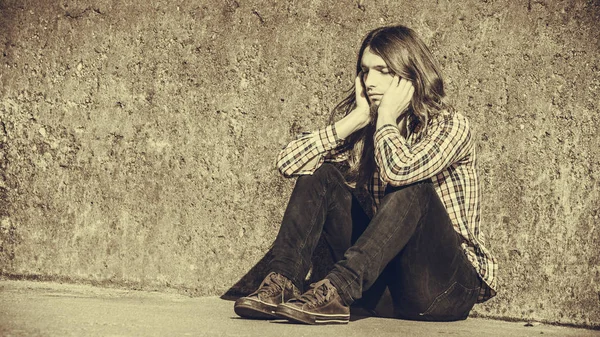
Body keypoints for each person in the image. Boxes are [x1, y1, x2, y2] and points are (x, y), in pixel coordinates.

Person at [234, 25, 498, 325]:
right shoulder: (365, 127)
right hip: (384, 285)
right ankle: (282, 283)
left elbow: (400, 171)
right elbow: (288, 163)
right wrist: (355, 120)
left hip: (445, 290)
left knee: (415, 188)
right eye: (364, 70)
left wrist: (385, 116)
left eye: (382, 70)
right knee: (321, 174)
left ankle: (337, 290)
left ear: (410, 75)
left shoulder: (450, 125)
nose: (369, 81)